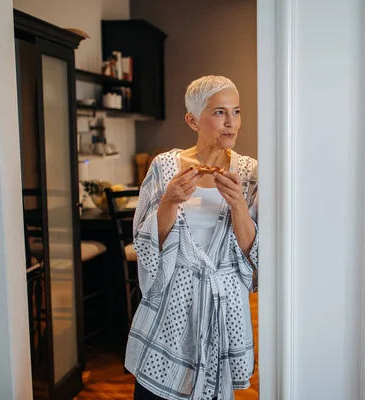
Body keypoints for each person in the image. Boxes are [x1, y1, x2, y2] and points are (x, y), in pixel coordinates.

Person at [126, 75, 258, 400]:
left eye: (237, 112)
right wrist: (169, 202)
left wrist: (239, 206)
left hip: (224, 307)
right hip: (172, 304)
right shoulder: (164, 167)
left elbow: (257, 255)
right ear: (192, 120)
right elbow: (144, 245)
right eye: (219, 112)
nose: (231, 123)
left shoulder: (252, 173)